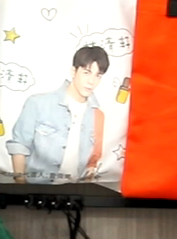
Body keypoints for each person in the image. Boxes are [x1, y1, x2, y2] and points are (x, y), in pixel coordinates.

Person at [8, 45, 108, 184]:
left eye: (98, 75)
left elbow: (93, 160)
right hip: (37, 188)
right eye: (86, 72)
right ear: (73, 71)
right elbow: (19, 145)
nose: (91, 81)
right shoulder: (37, 103)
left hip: (76, 191)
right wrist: (21, 186)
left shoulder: (98, 115)